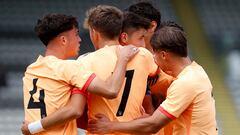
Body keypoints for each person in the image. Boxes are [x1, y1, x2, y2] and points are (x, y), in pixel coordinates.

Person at [88, 21, 218, 135]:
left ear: (163, 55)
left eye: (154, 55)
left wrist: (110, 126)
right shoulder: (197, 72)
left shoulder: (186, 82)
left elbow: (154, 124)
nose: (153, 60)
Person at [21, 13, 138, 135]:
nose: (80, 39)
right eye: (76, 34)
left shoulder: (31, 70)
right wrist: (122, 59)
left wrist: (33, 127)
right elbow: (111, 90)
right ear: (63, 40)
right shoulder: (70, 67)